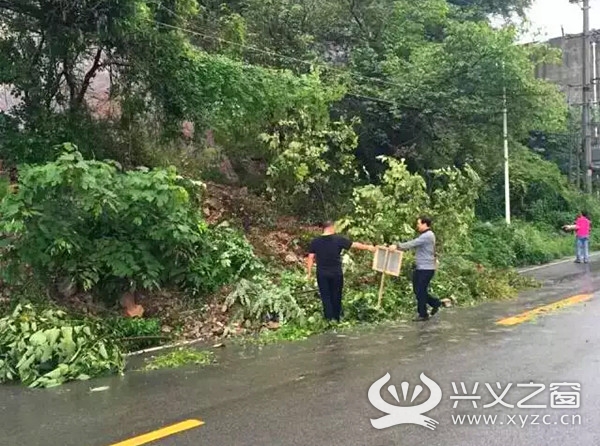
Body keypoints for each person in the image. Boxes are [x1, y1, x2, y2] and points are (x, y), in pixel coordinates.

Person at [307, 221, 375, 323]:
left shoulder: (315, 241)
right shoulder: (338, 239)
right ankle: (336, 318)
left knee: (326, 296)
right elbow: (354, 245)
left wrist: (309, 273)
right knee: (336, 295)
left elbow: (310, 258)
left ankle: (329, 320)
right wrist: (368, 247)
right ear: (331, 227)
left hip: (322, 274)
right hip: (336, 273)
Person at [390, 216, 442, 322]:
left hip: (426, 268)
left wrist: (397, 246)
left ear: (424, 224)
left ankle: (423, 314)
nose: (417, 226)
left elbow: (412, 243)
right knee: (417, 290)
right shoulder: (425, 235)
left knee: (421, 290)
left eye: (418, 224)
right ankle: (435, 303)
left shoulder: (428, 235)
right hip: (421, 267)